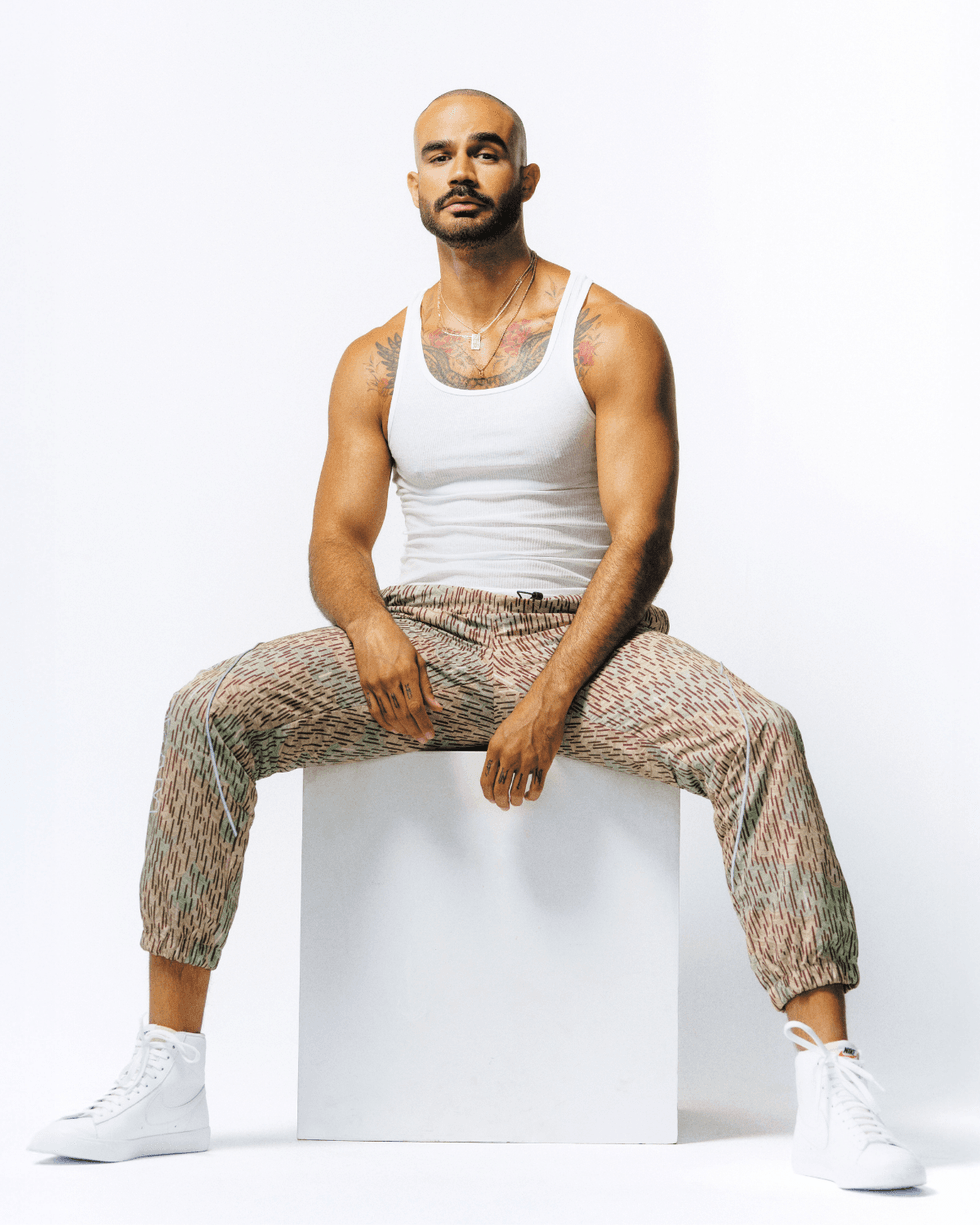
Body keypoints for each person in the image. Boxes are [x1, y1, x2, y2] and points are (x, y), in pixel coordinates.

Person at [29, 89, 925, 1190]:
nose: (462, 171)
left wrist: (549, 695)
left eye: (486, 152)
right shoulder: (375, 358)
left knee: (757, 733)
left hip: (586, 643)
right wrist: (367, 626)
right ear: (413, 185)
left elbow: (641, 540)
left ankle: (828, 1078)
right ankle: (168, 1069)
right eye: (438, 155)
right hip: (423, 639)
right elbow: (336, 540)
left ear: (523, 179)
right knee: (207, 711)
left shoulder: (608, 333)